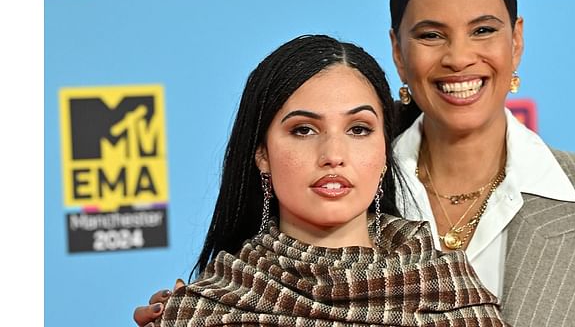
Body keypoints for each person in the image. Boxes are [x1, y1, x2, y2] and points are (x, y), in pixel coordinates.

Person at [137, 0, 575, 327]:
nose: (460, 58)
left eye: (484, 30)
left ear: (517, 43)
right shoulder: (344, 198)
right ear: (398, 53)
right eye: (431, 35)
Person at [146, 34, 506, 326]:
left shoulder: (453, 299)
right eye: (303, 130)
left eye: (359, 129)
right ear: (262, 155)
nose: (333, 153)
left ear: (384, 153)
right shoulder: (203, 313)